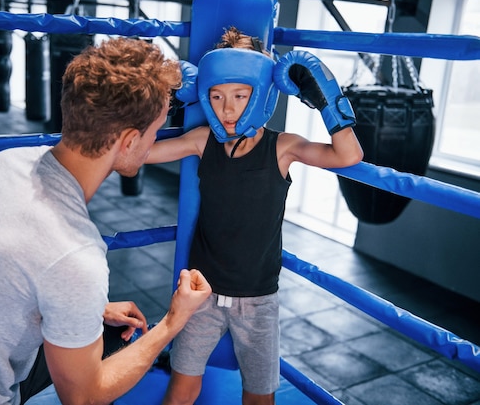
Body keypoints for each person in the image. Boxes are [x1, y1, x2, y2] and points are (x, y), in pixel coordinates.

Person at [0, 36, 212, 405]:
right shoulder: (74, 252)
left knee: (100, 335)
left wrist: (89, 310)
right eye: (155, 132)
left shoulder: (1, 165)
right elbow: (84, 398)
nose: (155, 141)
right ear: (130, 140)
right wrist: (172, 321)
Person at [146, 27, 364, 405]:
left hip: (259, 301)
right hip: (200, 293)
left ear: (261, 93)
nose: (227, 110)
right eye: (216, 96)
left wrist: (328, 102)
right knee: (181, 389)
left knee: (260, 397)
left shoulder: (283, 147)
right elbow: (139, 153)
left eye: (240, 96)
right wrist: (163, 101)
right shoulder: (203, 142)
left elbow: (348, 156)